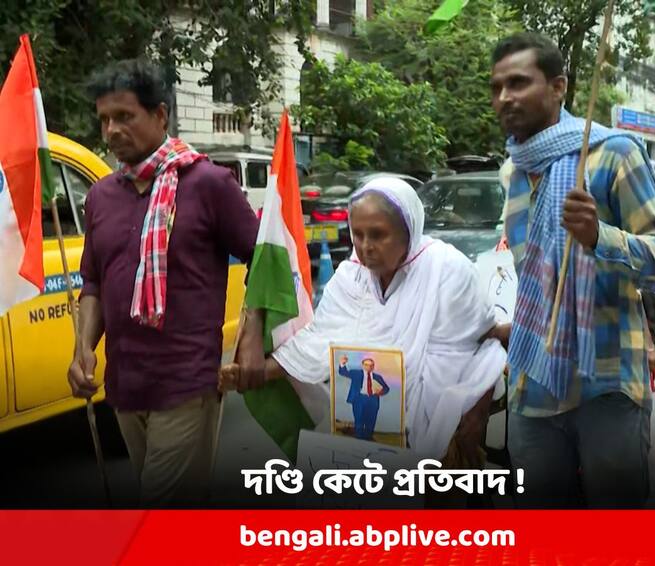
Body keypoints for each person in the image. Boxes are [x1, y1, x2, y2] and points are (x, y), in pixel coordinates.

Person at [490, 33, 655, 507]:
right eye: (496, 87)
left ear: (558, 87)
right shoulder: (512, 171)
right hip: (533, 385)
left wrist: (601, 237)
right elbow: (532, 274)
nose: (504, 97)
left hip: (607, 383)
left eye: (518, 82)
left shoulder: (615, 153)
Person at [66, 59, 263, 506]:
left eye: (124, 116)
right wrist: (82, 352)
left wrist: (251, 336)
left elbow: (265, 258)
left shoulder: (209, 183)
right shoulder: (100, 196)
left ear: (159, 116)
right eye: (104, 120)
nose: (111, 130)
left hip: (187, 379)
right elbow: (94, 281)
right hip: (125, 384)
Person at [221, 177, 508, 464]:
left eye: (378, 234)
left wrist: (475, 417)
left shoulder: (448, 270)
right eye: (357, 234)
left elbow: (477, 349)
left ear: (408, 231)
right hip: (366, 437)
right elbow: (320, 341)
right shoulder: (351, 277)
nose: (365, 246)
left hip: (441, 430)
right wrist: (256, 373)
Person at [338, 356, 390, 440]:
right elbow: (343, 372)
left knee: (371, 421)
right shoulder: (356, 373)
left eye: (371, 365)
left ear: (373, 366)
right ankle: (359, 439)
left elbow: (386, 388)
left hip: (373, 400)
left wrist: (380, 392)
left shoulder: (378, 377)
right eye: (366, 365)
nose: (369, 367)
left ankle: (368, 439)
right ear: (362, 365)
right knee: (359, 420)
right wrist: (342, 363)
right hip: (359, 399)